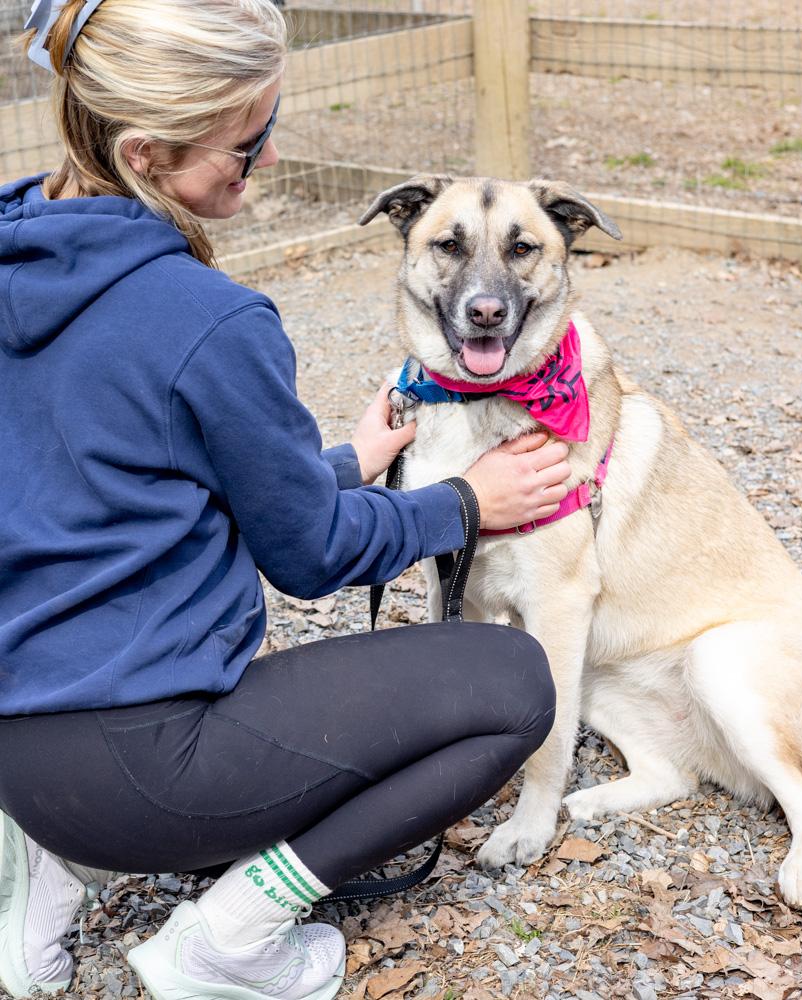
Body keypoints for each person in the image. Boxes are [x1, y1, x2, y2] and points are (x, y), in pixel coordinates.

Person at [0, 2, 570, 998]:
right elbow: (306, 555)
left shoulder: (22, 253)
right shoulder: (208, 318)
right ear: (143, 151)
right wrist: (465, 500)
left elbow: (130, 474)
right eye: (246, 142)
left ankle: (37, 895)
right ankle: (228, 934)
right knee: (513, 683)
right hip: (144, 762)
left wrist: (342, 459)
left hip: (21, 753)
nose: (262, 160)